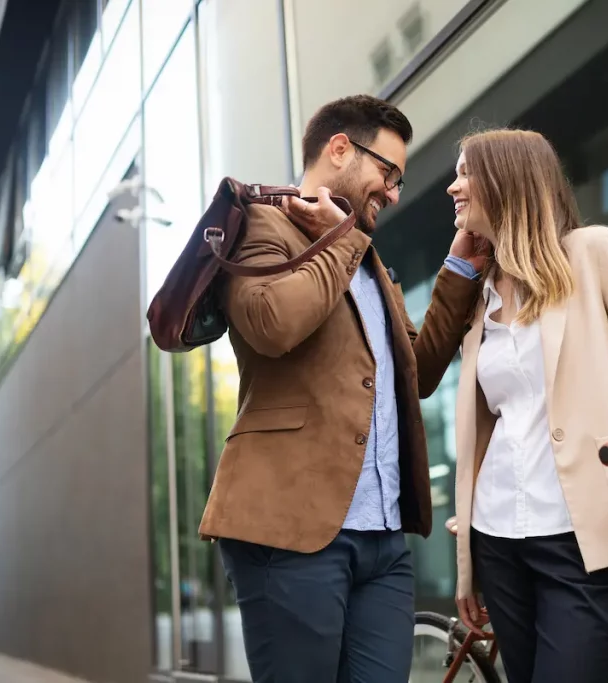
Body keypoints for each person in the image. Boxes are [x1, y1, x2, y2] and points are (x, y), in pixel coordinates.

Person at [197, 94, 486, 682]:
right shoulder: (257, 223)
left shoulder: (363, 256)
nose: (395, 192)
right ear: (338, 150)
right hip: (290, 532)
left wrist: (457, 270)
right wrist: (347, 242)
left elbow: (418, 371)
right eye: (389, 172)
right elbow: (275, 323)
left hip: (382, 540)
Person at [446, 128, 608, 682]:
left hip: (585, 538)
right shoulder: (480, 293)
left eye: (466, 172)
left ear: (507, 179)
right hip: (497, 537)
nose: (452, 186)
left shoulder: (591, 252)